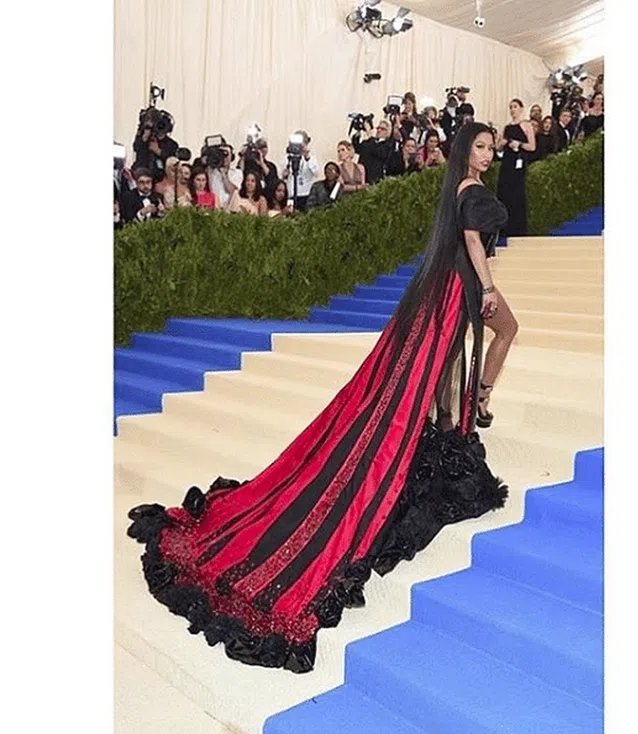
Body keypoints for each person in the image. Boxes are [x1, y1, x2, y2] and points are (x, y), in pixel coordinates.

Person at [127, 122, 512, 674]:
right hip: (458, 289)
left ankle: (459, 418)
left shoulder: (458, 189)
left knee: (436, 367)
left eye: (491, 146)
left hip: (446, 288)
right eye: (481, 146)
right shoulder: (469, 191)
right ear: (463, 152)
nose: (488, 153)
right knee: (433, 369)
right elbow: (474, 242)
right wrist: (489, 287)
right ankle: (461, 416)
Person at [496, 98, 536, 237]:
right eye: (511, 107)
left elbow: (532, 146)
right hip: (507, 162)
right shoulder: (506, 127)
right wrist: (502, 143)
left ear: (521, 108)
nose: (513, 110)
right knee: (504, 192)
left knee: (517, 194)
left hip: (519, 162)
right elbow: (498, 147)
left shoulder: (526, 125)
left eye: (515, 106)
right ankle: (504, 227)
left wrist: (519, 144)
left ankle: (518, 228)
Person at [282, 130, 320, 212]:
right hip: (292, 193)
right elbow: (282, 175)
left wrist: (307, 156)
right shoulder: (287, 158)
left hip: (307, 194)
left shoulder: (311, 159)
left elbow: (316, 173)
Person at [351, 118, 395, 185]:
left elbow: (379, 153)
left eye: (382, 129)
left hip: (374, 179)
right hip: (361, 176)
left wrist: (370, 135)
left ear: (388, 132)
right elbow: (357, 149)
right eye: (378, 128)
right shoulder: (368, 141)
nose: (379, 130)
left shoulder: (388, 144)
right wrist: (357, 135)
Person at [208, 144, 244, 211]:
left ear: (232, 157)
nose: (223, 157)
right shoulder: (211, 172)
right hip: (214, 209)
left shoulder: (237, 173)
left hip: (230, 209)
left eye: (226, 154)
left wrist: (224, 175)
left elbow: (232, 191)